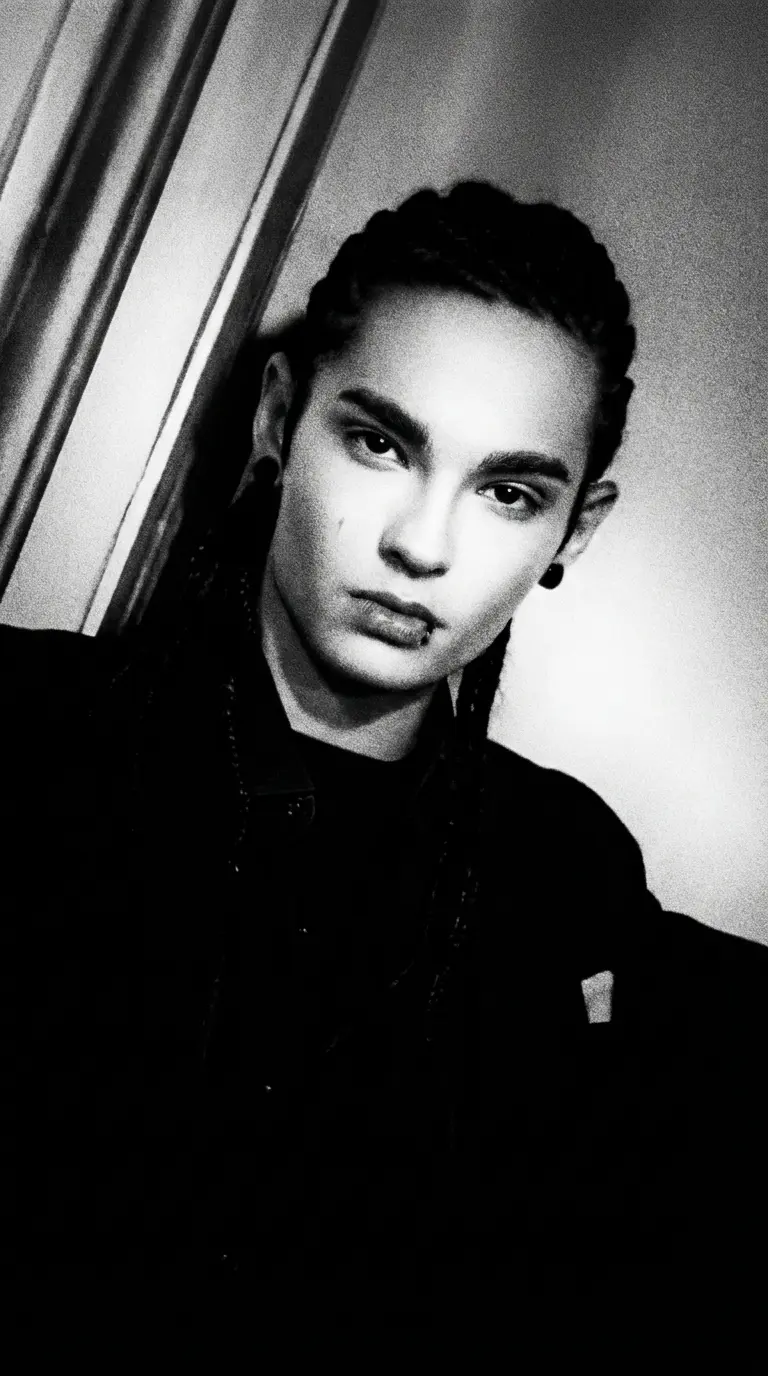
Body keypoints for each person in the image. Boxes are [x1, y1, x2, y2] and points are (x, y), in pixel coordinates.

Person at [3, 181, 764, 1352]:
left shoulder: (563, 881)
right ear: (278, 418)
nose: (422, 543)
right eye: (381, 442)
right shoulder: (26, 729)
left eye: (508, 491)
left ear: (573, 528)